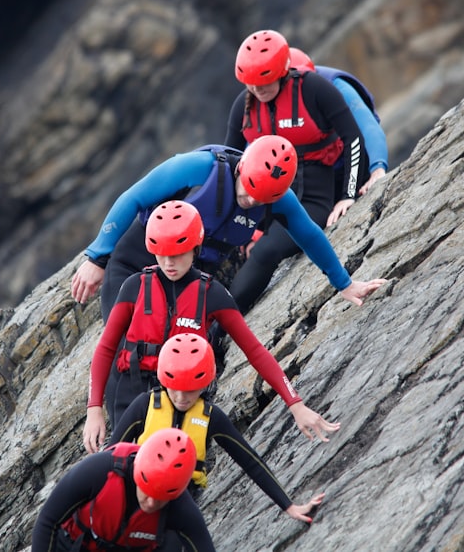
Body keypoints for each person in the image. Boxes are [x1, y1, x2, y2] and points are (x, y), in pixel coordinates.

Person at [83, 201, 340, 453]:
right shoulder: (134, 286)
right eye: (162, 253)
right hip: (131, 390)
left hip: (184, 398)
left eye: (178, 254)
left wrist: (295, 404)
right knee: (124, 472)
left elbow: (254, 351)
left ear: (195, 249)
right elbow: (106, 348)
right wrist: (94, 410)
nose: (169, 263)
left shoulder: (212, 294)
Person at [71, 134, 386, 318]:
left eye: (259, 198)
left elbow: (310, 236)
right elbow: (133, 197)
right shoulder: (200, 167)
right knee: (126, 341)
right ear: (242, 168)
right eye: (247, 188)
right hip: (138, 257)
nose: (249, 200)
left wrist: (345, 284)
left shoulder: (278, 198)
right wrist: (97, 258)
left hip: (190, 275)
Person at [224, 29, 371, 311]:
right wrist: (246, 227)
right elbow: (231, 165)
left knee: (267, 251)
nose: (258, 89)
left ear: (282, 70)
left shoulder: (313, 88)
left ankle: (221, 325)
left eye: (265, 81)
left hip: (314, 197)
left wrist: (348, 195)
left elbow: (353, 137)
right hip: (264, 200)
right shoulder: (241, 107)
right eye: (252, 83)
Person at [110, 333, 327, 523]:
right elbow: (110, 455)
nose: (181, 398)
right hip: (137, 490)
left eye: (190, 390)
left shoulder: (211, 417)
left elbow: (250, 461)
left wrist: (289, 506)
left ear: (205, 383)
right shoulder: (144, 405)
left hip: (179, 501)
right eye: (175, 388)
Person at [31, 427, 214, 551]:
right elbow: (48, 520)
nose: (150, 503)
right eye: (148, 491)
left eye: (160, 498)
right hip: (74, 545)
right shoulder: (100, 469)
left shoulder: (182, 509)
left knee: (172, 543)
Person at [288, 47, 388, 197]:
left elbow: (368, 126)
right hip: (313, 177)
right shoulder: (265, 102)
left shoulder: (334, 85)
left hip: (354, 164)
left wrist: (378, 168)